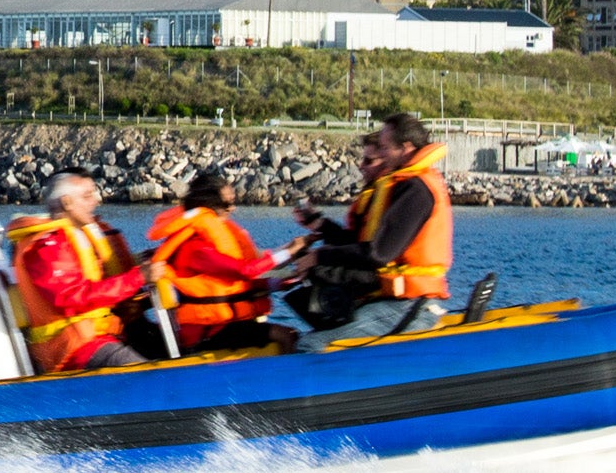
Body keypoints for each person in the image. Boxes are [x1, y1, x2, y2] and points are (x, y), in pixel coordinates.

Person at [284, 110, 454, 337]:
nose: (382, 154)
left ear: (405, 148)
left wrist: (319, 257)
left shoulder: (416, 189)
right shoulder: (405, 185)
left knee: (314, 344)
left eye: (385, 148)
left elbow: (379, 253)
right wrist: (320, 226)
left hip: (412, 302)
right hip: (396, 298)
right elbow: (363, 245)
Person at [6, 171, 175, 372]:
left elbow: (103, 279)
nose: (96, 201)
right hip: (73, 348)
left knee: (170, 350)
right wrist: (139, 277)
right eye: (87, 196)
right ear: (67, 202)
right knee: (149, 374)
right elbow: (71, 296)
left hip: (102, 333)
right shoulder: (46, 247)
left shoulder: (78, 236)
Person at [147, 169, 299, 355]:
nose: (232, 208)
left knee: (289, 333)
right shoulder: (196, 249)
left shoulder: (212, 239)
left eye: (232, 203)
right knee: (287, 335)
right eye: (227, 204)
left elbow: (233, 284)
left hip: (224, 323)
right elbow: (245, 270)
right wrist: (290, 251)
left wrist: (277, 283)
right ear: (209, 204)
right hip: (207, 331)